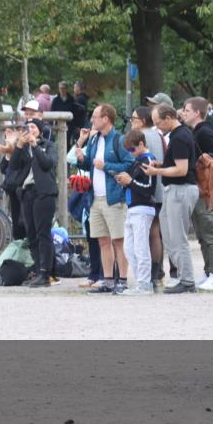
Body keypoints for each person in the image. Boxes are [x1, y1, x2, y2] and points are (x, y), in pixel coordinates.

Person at [75, 104, 133, 294]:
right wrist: (81, 156)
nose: (92, 120)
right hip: (95, 199)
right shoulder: (94, 139)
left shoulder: (119, 139)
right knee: (103, 241)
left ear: (106, 118)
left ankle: (122, 280)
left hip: (114, 198)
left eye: (95, 116)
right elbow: (88, 165)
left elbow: (130, 164)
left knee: (119, 241)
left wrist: (106, 166)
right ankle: (107, 280)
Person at [144, 105, 200, 294]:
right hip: (175, 190)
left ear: (168, 118)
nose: (158, 128)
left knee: (178, 237)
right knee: (169, 236)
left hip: (180, 190)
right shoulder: (178, 135)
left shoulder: (180, 137)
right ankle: (183, 277)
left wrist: (157, 171)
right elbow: (178, 163)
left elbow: (182, 169)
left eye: (159, 123)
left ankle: (187, 280)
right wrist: (161, 164)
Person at [180, 97, 213, 290]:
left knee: (210, 232)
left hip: (206, 189)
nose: (183, 113)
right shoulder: (197, 131)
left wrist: (201, 159)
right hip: (200, 188)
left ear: (197, 113)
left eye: (187, 110)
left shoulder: (204, 132)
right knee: (202, 234)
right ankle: (209, 272)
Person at [9, 118, 59, 287]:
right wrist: (18, 146)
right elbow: (13, 166)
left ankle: (46, 273)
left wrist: (35, 145)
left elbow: (47, 164)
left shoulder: (48, 145)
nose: (30, 129)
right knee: (31, 235)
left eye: (33, 127)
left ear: (40, 131)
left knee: (43, 233)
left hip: (44, 193)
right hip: (27, 193)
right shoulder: (23, 148)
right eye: (27, 127)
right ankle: (38, 271)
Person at [116, 129, 157, 295]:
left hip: (143, 208)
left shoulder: (148, 160)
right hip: (132, 207)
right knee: (128, 248)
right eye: (128, 150)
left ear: (141, 144)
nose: (130, 153)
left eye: (132, 149)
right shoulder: (137, 161)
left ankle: (145, 283)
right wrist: (125, 182)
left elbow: (149, 189)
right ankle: (141, 280)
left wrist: (130, 182)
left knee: (141, 247)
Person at [129, 107, 165, 287]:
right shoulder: (158, 134)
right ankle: (158, 273)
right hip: (160, 186)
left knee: (151, 234)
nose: (131, 122)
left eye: (133, 118)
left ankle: (153, 274)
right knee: (156, 233)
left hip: (147, 190)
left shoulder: (141, 136)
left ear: (143, 120)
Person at [0, 123, 28, 240]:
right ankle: (18, 245)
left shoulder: (28, 147)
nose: (19, 133)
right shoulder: (13, 148)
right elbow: (3, 168)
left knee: (27, 223)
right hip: (14, 191)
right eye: (17, 130)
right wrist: (9, 153)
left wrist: (16, 148)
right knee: (17, 223)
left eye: (22, 130)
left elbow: (25, 162)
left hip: (27, 190)